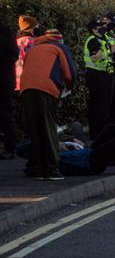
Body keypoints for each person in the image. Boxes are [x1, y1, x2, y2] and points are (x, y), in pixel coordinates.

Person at [18, 28, 76, 180]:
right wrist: (68, 88)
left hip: (26, 89)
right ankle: (52, 170)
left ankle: (37, 169)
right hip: (46, 89)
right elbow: (69, 73)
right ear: (59, 39)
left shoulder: (33, 48)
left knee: (34, 130)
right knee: (48, 128)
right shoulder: (59, 47)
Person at [82, 17, 115, 140]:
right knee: (97, 106)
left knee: (102, 105)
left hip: (102, 74)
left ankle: (100, 132)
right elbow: (94, 57)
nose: (103, 28)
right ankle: (96, 133)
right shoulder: (93, 40)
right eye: (100, 27)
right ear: (94, 30)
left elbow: (111, 51)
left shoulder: (100, 40)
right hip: (95, 76)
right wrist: (104, 49)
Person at [0, 16, 17, 159]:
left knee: (6, 113)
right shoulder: (7, 31)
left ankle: (10, 147)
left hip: (4, 79)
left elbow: (13, 54)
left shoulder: (5, 31)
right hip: (5, 77)